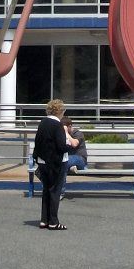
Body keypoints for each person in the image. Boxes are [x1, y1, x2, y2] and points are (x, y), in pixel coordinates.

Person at [32, 98, 76, 229]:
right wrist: (70, 146)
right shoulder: (57, 125)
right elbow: (61, 146)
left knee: (46, 190)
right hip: (55, 162)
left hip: (42, 161)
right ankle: (53, 221)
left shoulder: (43, 123)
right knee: (55, 192)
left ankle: (44, 220)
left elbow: (38, 142)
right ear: (60, 111)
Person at [60, 115, 88, 199]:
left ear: (69, 126)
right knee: (60, 165)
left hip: (80, 159)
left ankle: (60, 193)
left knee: (63, 163)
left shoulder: (78, 133)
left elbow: (74, 144)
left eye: (63, 127)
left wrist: (66, 133)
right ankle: (52, 190)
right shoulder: (60, 135)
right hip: (67, 160)